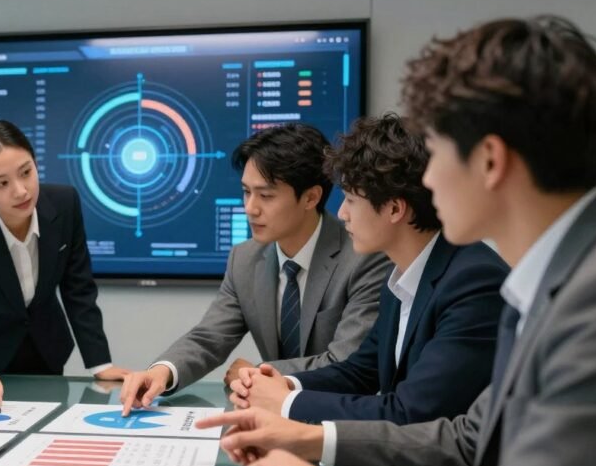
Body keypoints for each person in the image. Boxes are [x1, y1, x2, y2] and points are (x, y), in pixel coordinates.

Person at [196, 16, 596, 466]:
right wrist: (305, 440)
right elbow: (469, 441)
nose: (429, 180)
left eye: (437, 153)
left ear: (490, 161)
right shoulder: (560, 276)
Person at [230, 113, 508, 424]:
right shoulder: (404, 276)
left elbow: (409, 412)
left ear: (394, 208)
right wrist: (285, 384)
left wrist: (285, 404)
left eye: (350, 199)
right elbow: (360, 372)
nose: (342, 213)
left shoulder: (473, 283)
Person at [119, 124, 392, 414]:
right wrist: (162, 372)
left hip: (339, 418)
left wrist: (258, 372)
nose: (250, 208)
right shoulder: (244, 258)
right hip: (268, 419)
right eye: (246, 192)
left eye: (266, 196)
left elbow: (346, 362)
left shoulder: (364, 257)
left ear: (311, 198)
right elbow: (210, 336)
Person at [0, 120, 128, 408]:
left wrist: (100, 363)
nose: (20, 191)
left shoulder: (64, 204)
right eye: (1, 183)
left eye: (26, 173)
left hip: (45, 355)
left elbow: (78, 290)